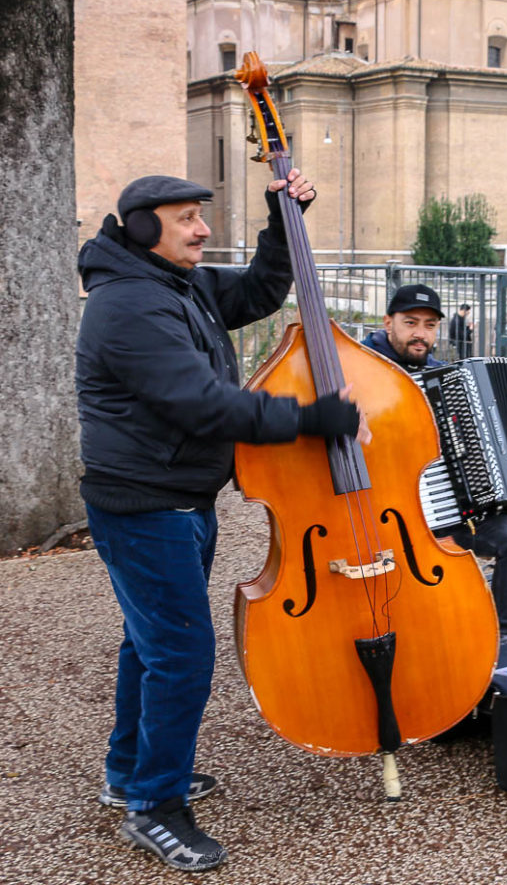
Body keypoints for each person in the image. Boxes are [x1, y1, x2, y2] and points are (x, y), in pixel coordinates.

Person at [76, 171, 368, 872]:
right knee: (181, 656)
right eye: (186, 219)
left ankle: (130, 775)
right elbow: (204, 404)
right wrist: (306, 420)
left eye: (201, 216)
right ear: (144, 228)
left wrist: (280, 218)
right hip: (145, 505)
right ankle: (155, 805)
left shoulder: (180, 285)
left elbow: (261, 291)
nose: (202, 230)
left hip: (178, 496)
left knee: (149, 646)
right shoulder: (128, 307)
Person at [362, 284, 507, 643]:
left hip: (444, 513)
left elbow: (479, 462)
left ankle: (504, 642)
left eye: (430, 325)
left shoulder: (443, 380)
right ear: (388, 323)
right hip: (383, 514)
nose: (420, 334)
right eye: (411, 323)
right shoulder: (363, 368)